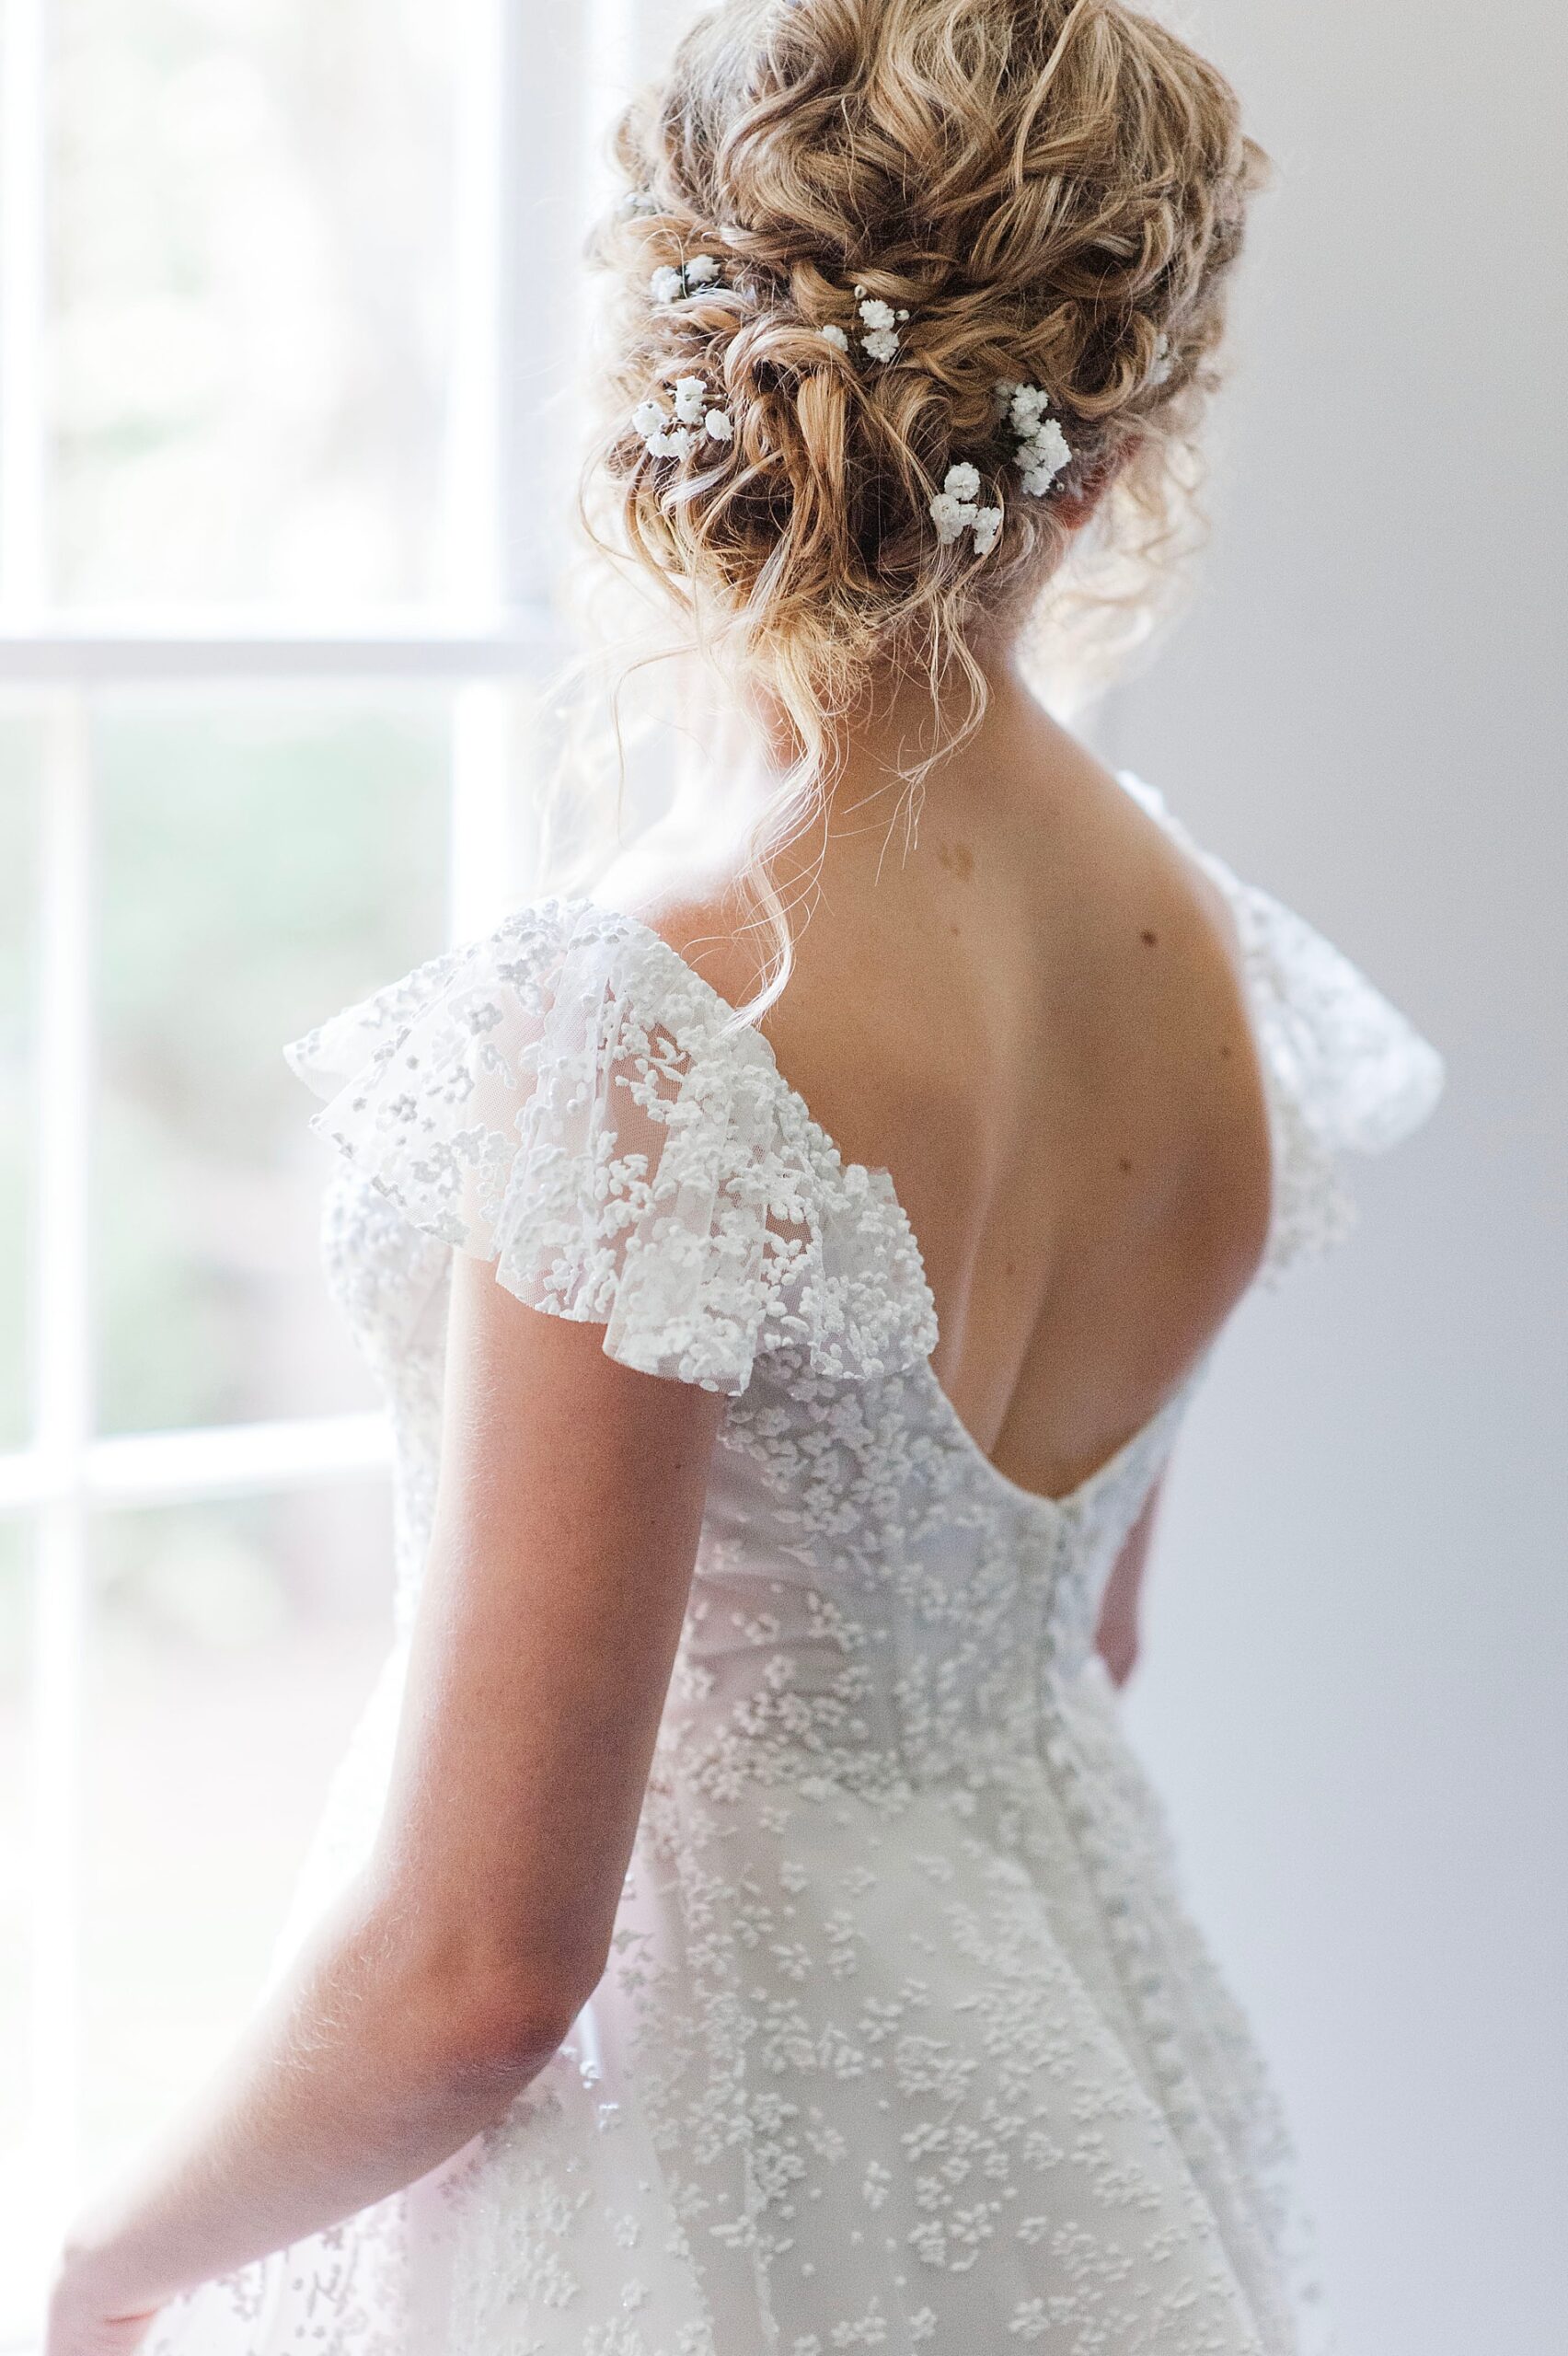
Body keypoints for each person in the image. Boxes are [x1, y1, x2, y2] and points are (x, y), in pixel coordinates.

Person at [46, 3, 1445, 2350]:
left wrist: (99, 2261)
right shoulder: (1211, 965)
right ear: (1111, 449)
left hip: (689, 2175)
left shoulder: (653, 1018)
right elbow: (1076, 1629)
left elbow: (486, 1966)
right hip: (1076, 2088)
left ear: (667, 356)